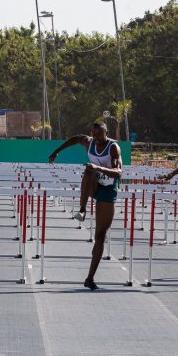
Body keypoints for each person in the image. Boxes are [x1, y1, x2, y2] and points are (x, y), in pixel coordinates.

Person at [48, 122, 123, 290]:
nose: (96, 138)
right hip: (92, 184)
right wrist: (55, 152)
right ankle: (82, 209)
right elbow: (74, 139)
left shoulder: (113, 148)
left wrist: (99, 167)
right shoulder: (88, 142)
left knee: (100, 236)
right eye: (94, 134)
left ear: (107, 133)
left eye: (100, 135)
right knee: (88, 170)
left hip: (108, 188)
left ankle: (90, 278)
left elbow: (119, 172)